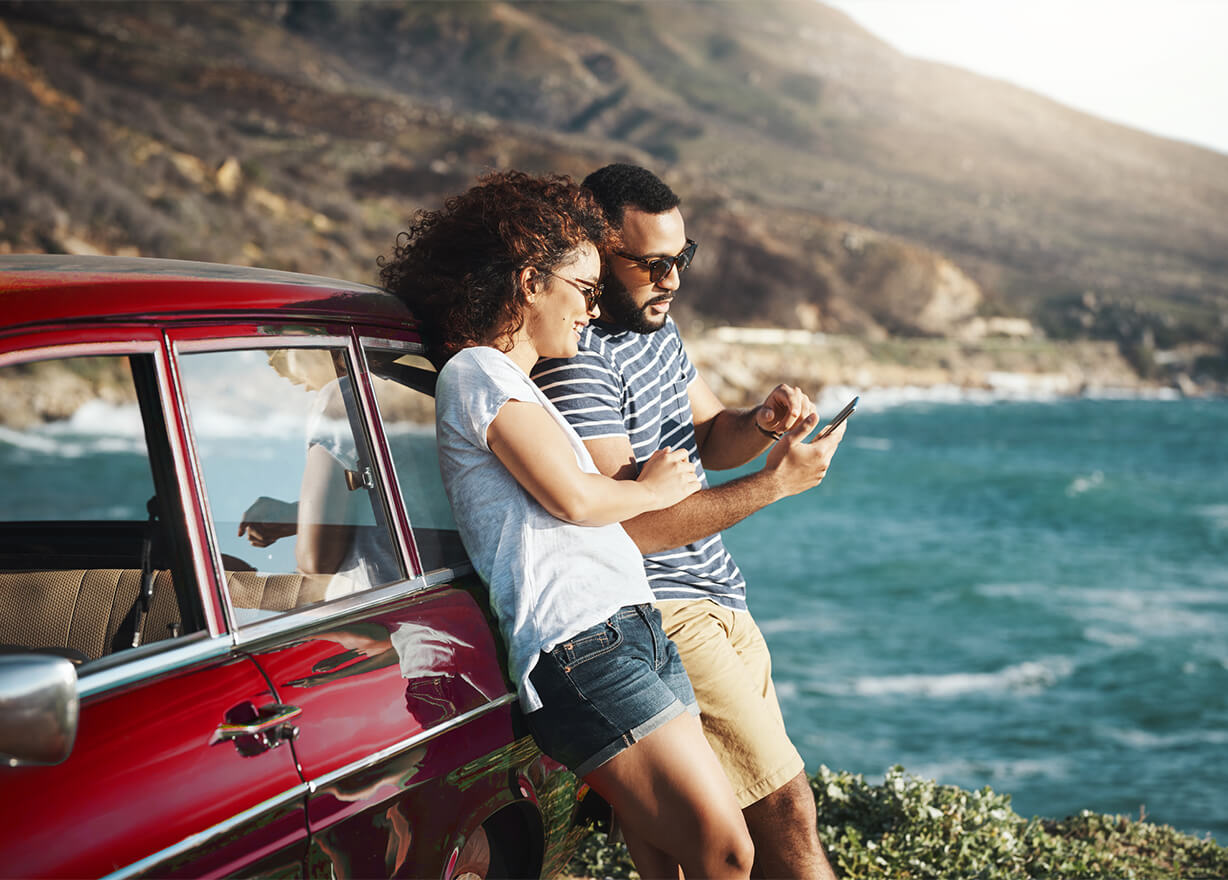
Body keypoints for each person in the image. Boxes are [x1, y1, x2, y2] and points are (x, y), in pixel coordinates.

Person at [378, 170, 754, 879]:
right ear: (529, 282)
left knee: (670, 858)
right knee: (726, 851)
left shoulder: (516, 384)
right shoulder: (478, 372)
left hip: (629, 627)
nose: (591, 309)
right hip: (581, 646)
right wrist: (653, 487)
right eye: (582, 291)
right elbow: (575, 500)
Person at [533, 163, 846, 880]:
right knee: (787, 812)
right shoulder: (577, 366)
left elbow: (708, 432)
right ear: (594, 255)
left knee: (736, 830)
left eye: (682, 259)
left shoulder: (658, 333)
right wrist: (773, 486)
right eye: (652, 264)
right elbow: (630, 529)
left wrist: (761, 423)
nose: (672, 279)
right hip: (665, 609)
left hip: (722, 597)